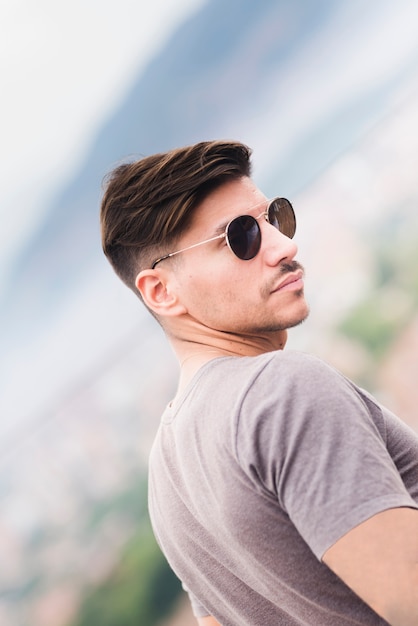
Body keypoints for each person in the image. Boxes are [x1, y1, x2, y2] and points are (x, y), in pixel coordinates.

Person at [100, 140, 418, 626]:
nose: (285, 246)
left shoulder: (166, 481)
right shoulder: (283, 390)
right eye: (240, 237)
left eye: (275, 218)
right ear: (162, 291)